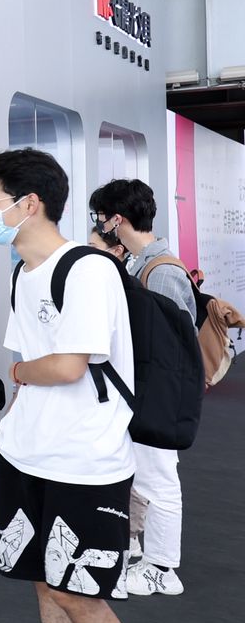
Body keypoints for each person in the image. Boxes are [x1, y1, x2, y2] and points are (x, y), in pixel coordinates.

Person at [0, 149, 161, 623]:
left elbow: (63, 365)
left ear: (28, 204)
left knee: (81, 595)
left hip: (85, 462)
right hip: (26, 455)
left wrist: (20, 372)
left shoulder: (86, 270)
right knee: (45, 582)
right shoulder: (25, 274)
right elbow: (31, 369)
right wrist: (17, 403)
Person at [88, 179, 194, 598]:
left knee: (160, 478)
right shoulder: (141, 264)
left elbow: (170, 348)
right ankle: (139, 551)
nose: (98, 224)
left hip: (158, 393)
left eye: (100, 217)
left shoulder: (162, 271)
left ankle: (163, 568)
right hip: (141, 392)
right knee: (142, 476)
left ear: (116, 220)